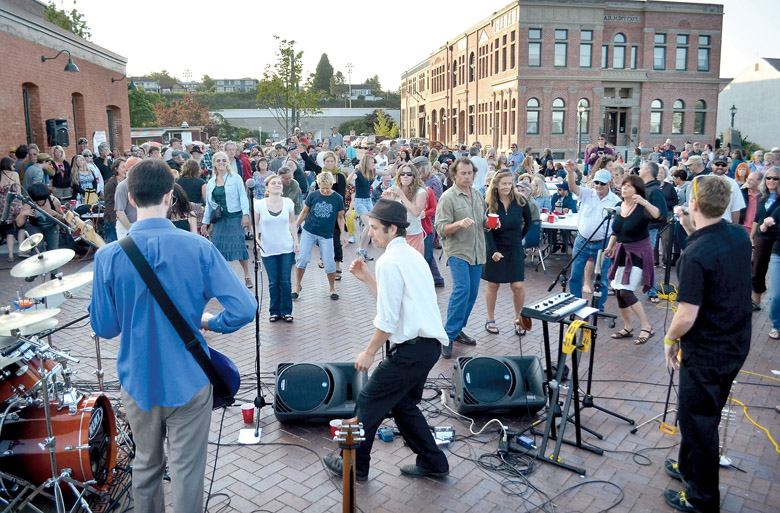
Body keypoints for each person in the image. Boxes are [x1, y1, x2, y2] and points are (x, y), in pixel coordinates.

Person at [89, 159, 256, 513]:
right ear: (170, 196)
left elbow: (104, 328)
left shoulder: (108, 256)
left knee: (146, 466)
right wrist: (211, 323)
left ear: (131, 199)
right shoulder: (197, 247)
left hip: (138, 380)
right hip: (190, 378)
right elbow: (244, 307)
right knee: (187, 470)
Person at [324, 199, 450, 482]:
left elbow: (388, 319)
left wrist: (369, 352)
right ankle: (433, 462)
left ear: (393, 229)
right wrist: (368, 278)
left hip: (413, 348)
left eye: (375, 228)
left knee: (368, 400)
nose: (371, 234)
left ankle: (356, 465)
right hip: (426, 347)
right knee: (403, 405)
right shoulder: (412, 255)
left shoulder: (390, 261)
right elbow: (394, 304)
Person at [662, 175, 751, 513]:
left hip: (708, 350)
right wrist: (691, 229)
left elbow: (686, 315)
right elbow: (715, 257)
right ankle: (688, 469)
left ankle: (702, 499)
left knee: (699, 422)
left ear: (694, 204)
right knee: (699, 416)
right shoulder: (738, 235)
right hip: (735, 342)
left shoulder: (695, 254)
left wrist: (670, 340)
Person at [435, 157, 493, 358]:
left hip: (477, 251)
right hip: (458, 251)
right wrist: (459, 223)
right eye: (463, 173)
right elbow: (441, 228)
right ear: (454, 175)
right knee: (462, 290)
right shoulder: (448, 197)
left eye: (470, 173)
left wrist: (489, 224)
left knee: (472, 293)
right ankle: (447, 336)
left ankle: (458, 329)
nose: (468, 177)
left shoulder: (477, 195)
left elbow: (482, 220)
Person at [605, 175, 662, 345]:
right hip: (622, 251)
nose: (625, 189)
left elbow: (658, 215)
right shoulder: (618, 206)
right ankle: (628, 327)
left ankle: (647, 327)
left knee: (626, 291)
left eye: (629, 186)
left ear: (637, 190)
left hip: (638, 252)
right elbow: (616, 231)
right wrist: (610, 247)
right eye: (623, 185)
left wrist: (644, 202)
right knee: (618, 291)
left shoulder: (641, 208)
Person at [482, 171, 532, 336]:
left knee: (518, 286)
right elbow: (488, 230)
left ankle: (519, 319)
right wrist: (493, 250)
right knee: (493, 285)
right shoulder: (490, 202)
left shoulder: (520, 201)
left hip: (515, 248)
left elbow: (529, 222)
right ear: (496, 184)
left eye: (510, 183)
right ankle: (490, 318)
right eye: (503, 183)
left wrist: (519, 239)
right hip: (495, 247)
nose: (507, 187)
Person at [566, 164, 621, 310]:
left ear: (609, 183)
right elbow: (572, 187)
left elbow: (617, 227)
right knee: (575, 275)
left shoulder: (615, 201)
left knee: (602, 279)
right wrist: (570, 172)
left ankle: (598, 307)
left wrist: (612, 245)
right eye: (596, 182)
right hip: (582, 241)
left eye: (602, 183)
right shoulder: (587, 193)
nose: (598, 186)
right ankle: (576, 304)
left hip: (602, 243)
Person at [201, 151, 252, 288]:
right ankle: (221, 279)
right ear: (214, 163)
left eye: (223, 160)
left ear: (227, 162)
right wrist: (205, 222)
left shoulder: (235, 178)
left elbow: (243, 197)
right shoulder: (211, 182)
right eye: (218, 161)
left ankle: (247, 275)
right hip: (219, 219)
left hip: (235, 217)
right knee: (218, 249)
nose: (221, 163)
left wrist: (245, 215)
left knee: (238, 246)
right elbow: (209, 205)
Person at [293, 171, 347, 300]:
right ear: (318, 185)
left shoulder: (337, 198)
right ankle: (297, 285)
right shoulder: (313, 195)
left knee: (329, 262)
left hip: (326, 235)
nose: (325, 191)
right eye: (322, 188)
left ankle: (332, 288)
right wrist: (295, 225)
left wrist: (343, 235)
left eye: (327, 188)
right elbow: (305, 212)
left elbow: (340, 218)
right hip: (309, 231)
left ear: (331, 185)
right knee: (302, 258)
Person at [255, 174, 299, 322]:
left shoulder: (288, 203)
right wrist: (256, 239)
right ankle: (274, 311)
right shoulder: (259, 204)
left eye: (279, 183)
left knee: (285, 281)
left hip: (286, 247)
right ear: (267, 187)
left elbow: (292, 223)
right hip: (268, 248)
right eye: (273, 183)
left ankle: (286, 311)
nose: (277, 185)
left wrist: (296, 241)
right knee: (273, 282)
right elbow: (255, 224)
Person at [16, 183, 64, 275]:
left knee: (53, 249)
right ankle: (34, 271)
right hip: (36, 226)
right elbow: (19, 223)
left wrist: (55, 214)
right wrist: (23, 214)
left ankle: (54, 273)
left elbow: (61, 217)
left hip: (51, 226)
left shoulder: (54, 201)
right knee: (38, 245)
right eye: (37, 202)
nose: (40, 204)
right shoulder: (28, 203)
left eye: (42, 201)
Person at [751, 168, 780, 313]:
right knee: (757, 268)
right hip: (761, 236)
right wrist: (752, 235)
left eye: (775, 178)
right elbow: (757, 217)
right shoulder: (761, 197)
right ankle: (756, 300)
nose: (771, 181)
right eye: (768, 178)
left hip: (777, 237)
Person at [383, 162, 427, 254]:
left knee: (413, 266)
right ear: (399, 176)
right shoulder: (393, 190)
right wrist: (387, 200)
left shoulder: (420, 192)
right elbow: (387, 216)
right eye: (402, 174)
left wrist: (402, 195)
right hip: (397, 236)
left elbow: (416, 212)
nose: (405, 176)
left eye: (409, 174)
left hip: (413, 236)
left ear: (414, 176)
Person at [347, 154, 377, 261]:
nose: (373, 164)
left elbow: (387, 172)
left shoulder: (372, 172)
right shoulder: (359, 173)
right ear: (366, 163)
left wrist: (396, 164)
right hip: (359, 202)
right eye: (372, 162)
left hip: (368, 201)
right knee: (368, 225)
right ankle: (360, 250)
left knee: (371, 226)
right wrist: (354, 171)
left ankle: (363, 250)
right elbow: (348, 181)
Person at [0, 157, 23, 262]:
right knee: (21, 226)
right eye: (13, 165)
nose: (14, 167)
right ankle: (21, 250)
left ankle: (10, 255)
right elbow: (18, 191)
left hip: (4, 207)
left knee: (9, 230)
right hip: (15, 203)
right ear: (9, 165)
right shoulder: (15, 175)